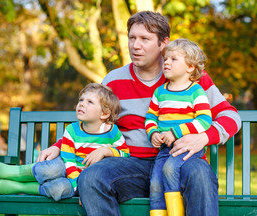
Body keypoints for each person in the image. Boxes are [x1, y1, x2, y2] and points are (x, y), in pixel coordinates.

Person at [37, 11, 241, 216]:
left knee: (199, 173)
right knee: (91, 177)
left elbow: (231, 116)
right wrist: (58, 146)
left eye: (145, 39)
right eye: (132, 38)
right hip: (131, 166)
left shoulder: (188, 76)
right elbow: (90, 120)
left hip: (181, 161)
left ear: (164, 43)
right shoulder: (113, 80)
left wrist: (203, 137)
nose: (135, 45)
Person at [0, 83, 129, 201]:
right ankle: (16, 172)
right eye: (81, 100)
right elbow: (68, 162)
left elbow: (125, 154)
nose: (81, 104)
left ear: (104, 114)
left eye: (89, 102)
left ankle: (19, 187)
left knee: (59, 190)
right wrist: (79, 186)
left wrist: (106, 151)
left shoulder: (112, 132)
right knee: (51, 169)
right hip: (67, 168)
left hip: (85, 180)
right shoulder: (72, 131)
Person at [145, 38, 212, 216]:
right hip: (165, 149)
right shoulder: (160, 92)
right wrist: (153, 133)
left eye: (174, 59)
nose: (166, 62)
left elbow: (205, 120)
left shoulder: (195, 91)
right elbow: (151, 116)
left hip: (187, 147)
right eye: (166, 58)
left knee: (169, 169)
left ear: (190, 67)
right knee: (155, 183)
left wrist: (176, 132)